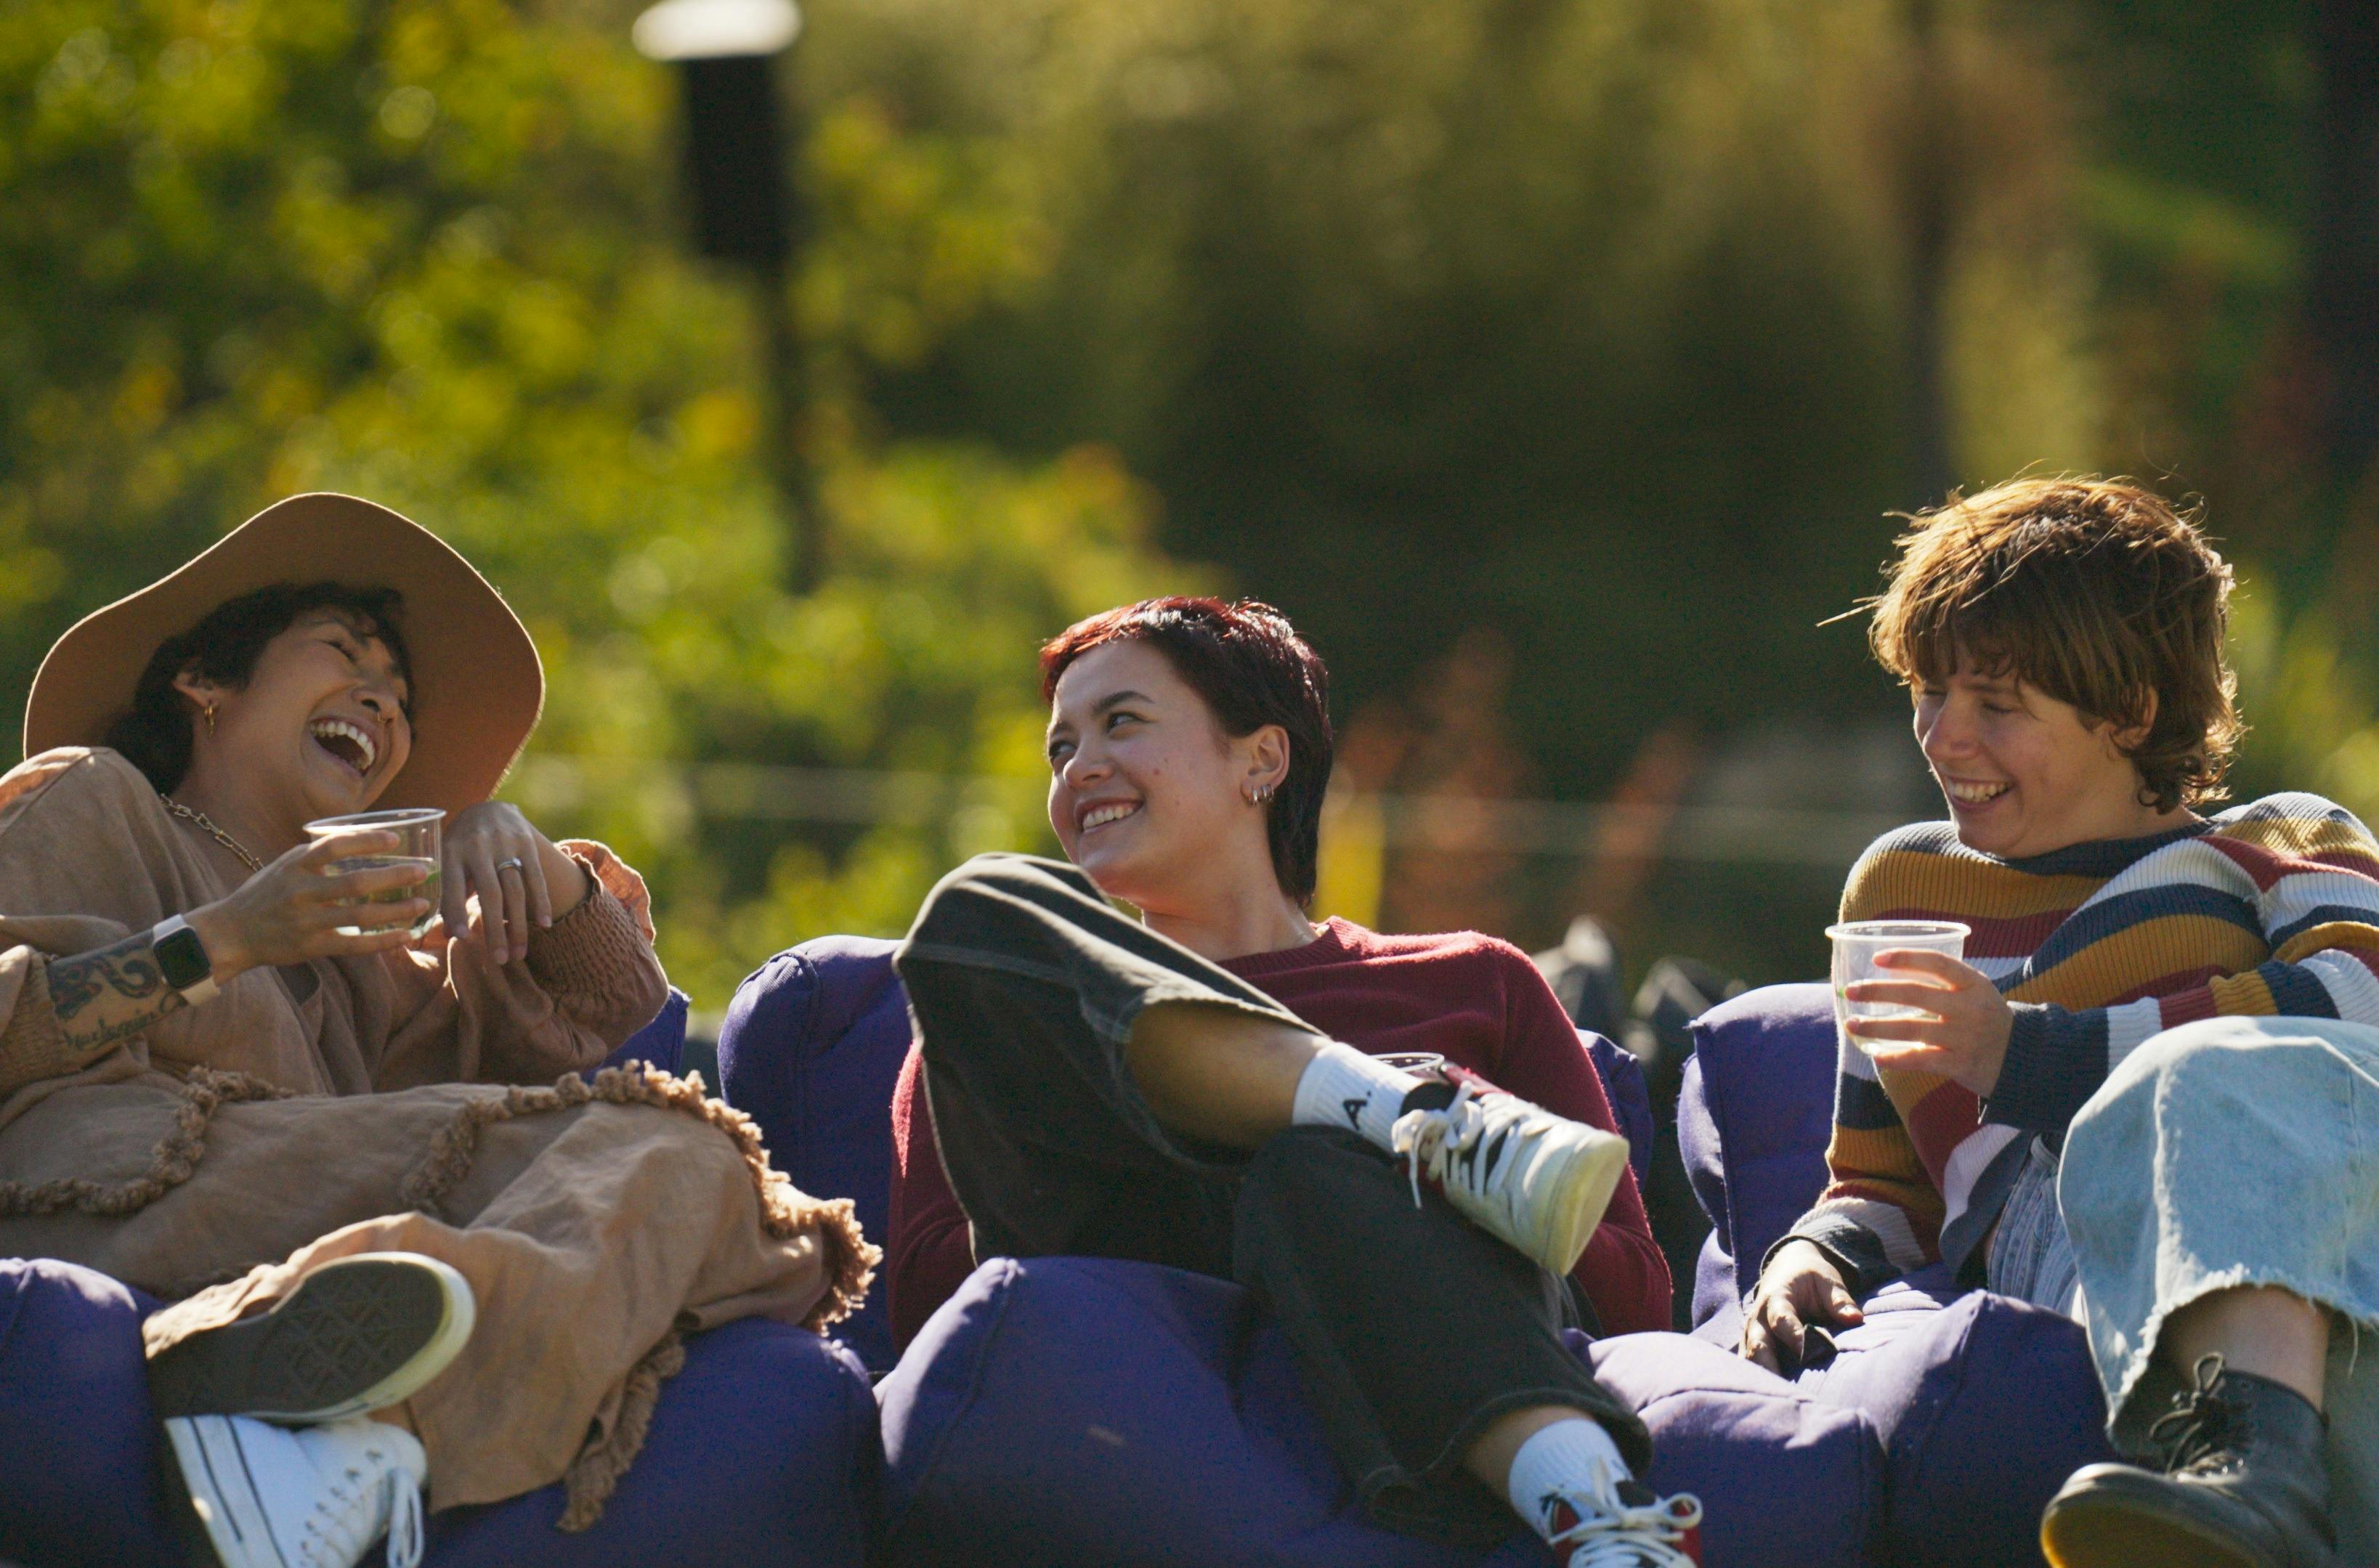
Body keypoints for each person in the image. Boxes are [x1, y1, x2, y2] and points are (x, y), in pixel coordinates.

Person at [0, 495, 872, 1568]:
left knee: (743, 1213)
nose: (383, 699)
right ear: (204, 682)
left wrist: (532, 859)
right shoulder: (95, 800)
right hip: (98, 1189)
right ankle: (283, 1407)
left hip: (297, 1217)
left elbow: (606, 1039)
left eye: (401, 697)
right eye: (342, 653)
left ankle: (307, 1424)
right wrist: (224, 939)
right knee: (670, 1154)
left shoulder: (370, 946)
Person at [885, 598, 1703, 1567]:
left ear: (1262, 761)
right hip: (1134, 1333)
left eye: (1123, 723)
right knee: (971, 905)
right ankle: (1397, 1113)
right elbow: (935, 1303)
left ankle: (1608, 1528)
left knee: (1312, 1166)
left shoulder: (1474, 980)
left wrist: (1431, 1206)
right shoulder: (1020, 1014)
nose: (1079, 768)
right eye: (1060, 747)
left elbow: (1635, 1294)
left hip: (1412, 1340)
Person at [1740, 478, 2379, 1568]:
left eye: (1997, 705)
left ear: (2129, 710)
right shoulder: (1901, 894)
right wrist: (1817, 1250)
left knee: (2217, 1075)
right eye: (1927, 692)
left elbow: (2359, 1018)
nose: (1944, 738)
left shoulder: (2288, 837)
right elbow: (1887, 1184)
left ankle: (2261, 1489)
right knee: (2178, 1094)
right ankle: (2259, 1482)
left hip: (2331, 1202)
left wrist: (2026, 1053)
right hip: (2079, 1233)